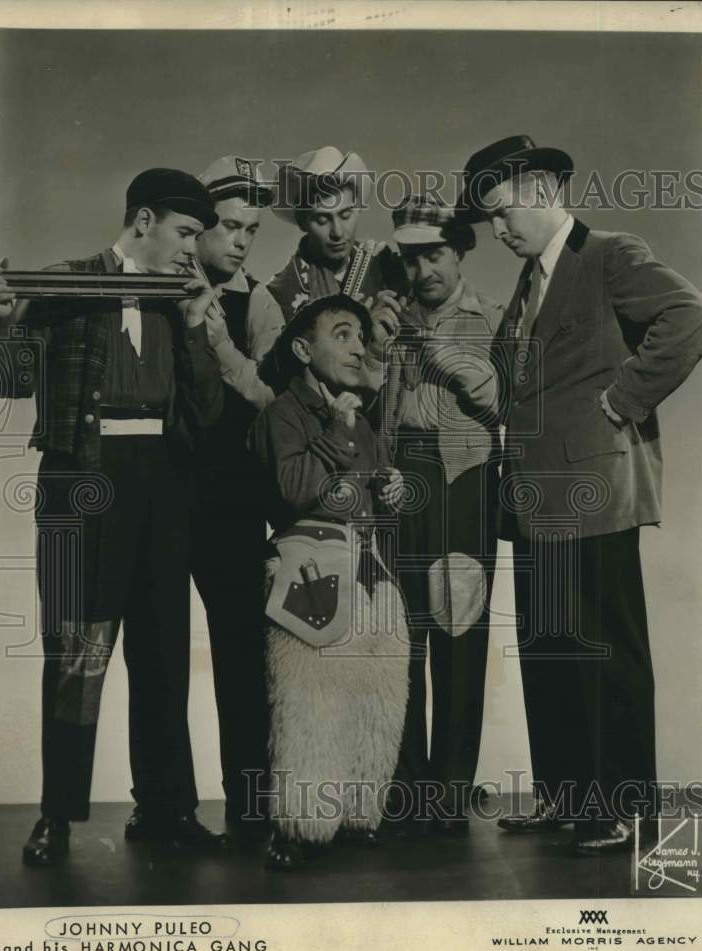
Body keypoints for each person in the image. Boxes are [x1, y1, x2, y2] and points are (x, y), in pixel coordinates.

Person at [458, 135, 702, 854]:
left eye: (502, 214)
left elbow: (686, 317)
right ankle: (566, 799)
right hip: (535, 499)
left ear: (540, 189)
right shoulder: (528, 283)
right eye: (489, 221)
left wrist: (620, 401)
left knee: (607, 651)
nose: (497, 231)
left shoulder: (608, 255)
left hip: (595, 486)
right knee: (550, 649)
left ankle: (623, 808)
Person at [0, 168, 229, 865]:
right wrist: (4, 326)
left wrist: (192, 330)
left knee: (161, 654)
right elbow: (9, 383)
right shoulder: (65, 281)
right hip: (77, 483)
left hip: (163, 487)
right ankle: (57, 818)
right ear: (143, 220)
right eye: (185, 234)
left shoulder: (182, 302)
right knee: (74, 653)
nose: (192, 250)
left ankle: (166, 809)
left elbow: (207, 414)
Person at [248, 294, 410, 870]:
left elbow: (368, 492)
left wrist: (388, 489)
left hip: (367, 570)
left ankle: (358, 813)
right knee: (309, 701)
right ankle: (300, 823)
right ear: (302, 349)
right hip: (310, 570)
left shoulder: (360, 418)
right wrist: (342, 433)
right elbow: (294, 489)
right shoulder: (281, 415)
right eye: (341, 334)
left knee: (375, 697)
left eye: (360, 336)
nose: (357, 346)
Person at [364, 194, 504, 835]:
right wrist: (374, 336)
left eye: (436, 255)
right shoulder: (388, 317)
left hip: (465, 483)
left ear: (461, 252)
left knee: (459, 630)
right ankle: (405, 787)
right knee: (402, 636)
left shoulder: (493, 318)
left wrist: (437, 348)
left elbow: (500, 400)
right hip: (399, 479)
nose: (424, 272)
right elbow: (362, 396)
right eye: (413, 259)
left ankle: (450, 790)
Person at [190, 155, 284, 839]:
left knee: (239, 652)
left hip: (231, 498)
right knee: (159, 654)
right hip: (163, 488)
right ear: (198, 228)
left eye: (251, 228)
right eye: (229, 226)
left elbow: (270, 395)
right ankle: (163, 808)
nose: (242, 240)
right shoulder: (161, 287)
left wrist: (218, 340)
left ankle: (249, 809)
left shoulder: (259, 302)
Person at [267, 146, 405, 322]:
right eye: (322, 220)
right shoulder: (280, 293)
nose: (338, 233)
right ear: (303, 222)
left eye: (346, 215)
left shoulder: (385, 263)